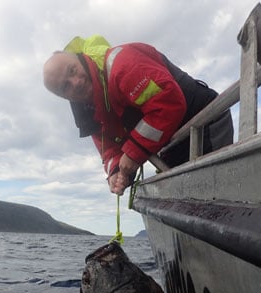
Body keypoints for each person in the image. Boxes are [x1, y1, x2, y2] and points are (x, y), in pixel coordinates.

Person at [43, 35, 234, 196]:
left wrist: (133, 153)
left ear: (80, 58)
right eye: (65, 86)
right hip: (173, 145)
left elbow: (168, 104)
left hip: (205, 123)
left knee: (218, 196)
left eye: (72, 70)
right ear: (64, 97)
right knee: (193, 201)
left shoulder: (121, 65)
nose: (76, 82)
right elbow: (108, 150)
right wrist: (116, 172)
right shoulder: (91, 113)